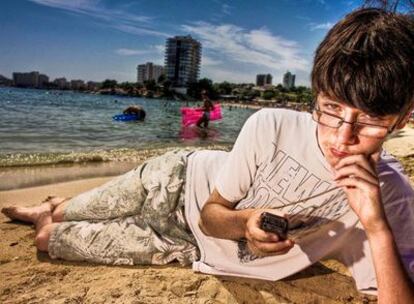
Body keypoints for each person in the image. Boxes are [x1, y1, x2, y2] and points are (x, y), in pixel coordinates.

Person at [2, 8, 414, 302]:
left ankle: (48, 215)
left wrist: (376, 228)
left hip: (188, 246)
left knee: (47, 238)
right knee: (67, 213)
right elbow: (212, 213)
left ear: (402, 120)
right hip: (175, 181)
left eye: (371, 119)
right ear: (317, 96)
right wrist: (245, 223)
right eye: (331, 108)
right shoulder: (271, 125)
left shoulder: (392, 195)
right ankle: (55, 204)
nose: (342, 136)